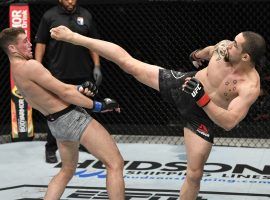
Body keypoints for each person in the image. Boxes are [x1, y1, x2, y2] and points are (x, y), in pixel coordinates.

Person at [50, 26, 266, 200]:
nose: (230, 44)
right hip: (185, 85)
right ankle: (76, 37)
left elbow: (229, 122)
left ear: (246, 57)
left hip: (203, 115)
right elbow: (211, 50)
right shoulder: (224, 48)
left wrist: (203, 99)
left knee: (194, 174)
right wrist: (197, 55)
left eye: (236, 44)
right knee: (131, 65)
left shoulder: (249, 86)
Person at [0, 27, 125, 200]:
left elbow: (53, 90)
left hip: (56, 123)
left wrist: (79, 88)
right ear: (13, 48)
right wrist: (99, 106)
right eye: (25, 42)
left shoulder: (16, 71)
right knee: (115, 164)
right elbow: (64, 93)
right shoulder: (31, 66)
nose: (30, 44)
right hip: (71, 117)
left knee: (66, 171)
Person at [35, 0, 102, 163]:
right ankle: (51, 148)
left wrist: (97, 66)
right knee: (55, 112)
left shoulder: (85, 15)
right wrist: (37, 66)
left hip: (83, 72)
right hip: (58, 73)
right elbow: (41, 43)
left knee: (86, 109)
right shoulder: (50, 16)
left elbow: (93, 43)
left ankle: (85, 143)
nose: (71, 1)